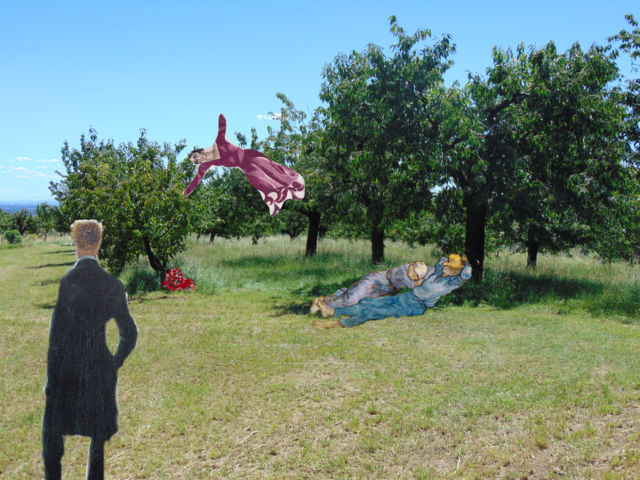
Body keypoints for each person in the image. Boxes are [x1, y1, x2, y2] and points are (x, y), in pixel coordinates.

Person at [42, 220, 138, 480]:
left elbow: (57, 339)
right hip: (100, 368)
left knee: (53, 435)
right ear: (99, 243)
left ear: (76, 244)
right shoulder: (113, 284)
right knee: (97, 442)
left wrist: (51, 381)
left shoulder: (68, 281)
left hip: (69, 369)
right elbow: (130, 334)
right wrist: (114, 363)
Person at [183, 114, 305, 216]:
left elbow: (222, 122)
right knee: (260, 183)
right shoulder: (205, 166)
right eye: (196, 161)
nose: (198, 159)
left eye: (196, 156)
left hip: (251, 156)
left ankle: (295, 183)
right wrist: (183, 195)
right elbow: (195, 181)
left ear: (199, 151)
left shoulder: (219, 141)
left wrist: (219, 117)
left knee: (274, 173)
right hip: (246, 167)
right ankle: (279, 197)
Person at [313, 255, 471, 329]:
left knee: (374, 311)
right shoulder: (438, 271)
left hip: (416, 306)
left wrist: (467, 262)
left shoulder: (452, 283)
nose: (446, 268)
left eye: (450, 267)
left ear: (457, 271)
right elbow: (442, 260)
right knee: (368, 302)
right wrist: (452, 262)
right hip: (408, 297)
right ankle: (334, 311)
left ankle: (337, 324)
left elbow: (466, 275)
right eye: (447, 266)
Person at [310, 261, 433, 318]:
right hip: (373, 281)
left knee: (356, 301)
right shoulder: (403, 270)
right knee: (350, 299)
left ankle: (326, 301)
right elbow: (409, 283)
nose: (414, 278)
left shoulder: (410, 274)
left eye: (416, 277)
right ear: (412, 268)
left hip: (379, 291)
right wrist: (417, 282)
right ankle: (323, 303)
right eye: (415, 275)